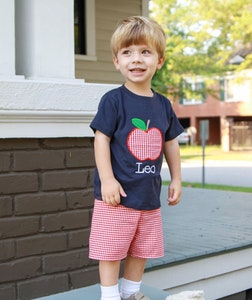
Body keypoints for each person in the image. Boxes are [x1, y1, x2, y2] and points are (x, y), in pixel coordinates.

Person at [89, 16, 183, 300]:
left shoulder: (163, 104)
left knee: (141, 247)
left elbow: (170, 142)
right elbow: (101, 139)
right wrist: (107, 179)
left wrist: (176, 178)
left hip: (148, 194)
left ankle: (131, 292)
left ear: (160, 60)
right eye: (127, 52)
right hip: (116, 195)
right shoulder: (113, 101)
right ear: (117, 61)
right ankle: (109, 295)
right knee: (111, 247)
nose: (136, 59)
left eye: (145, 52)